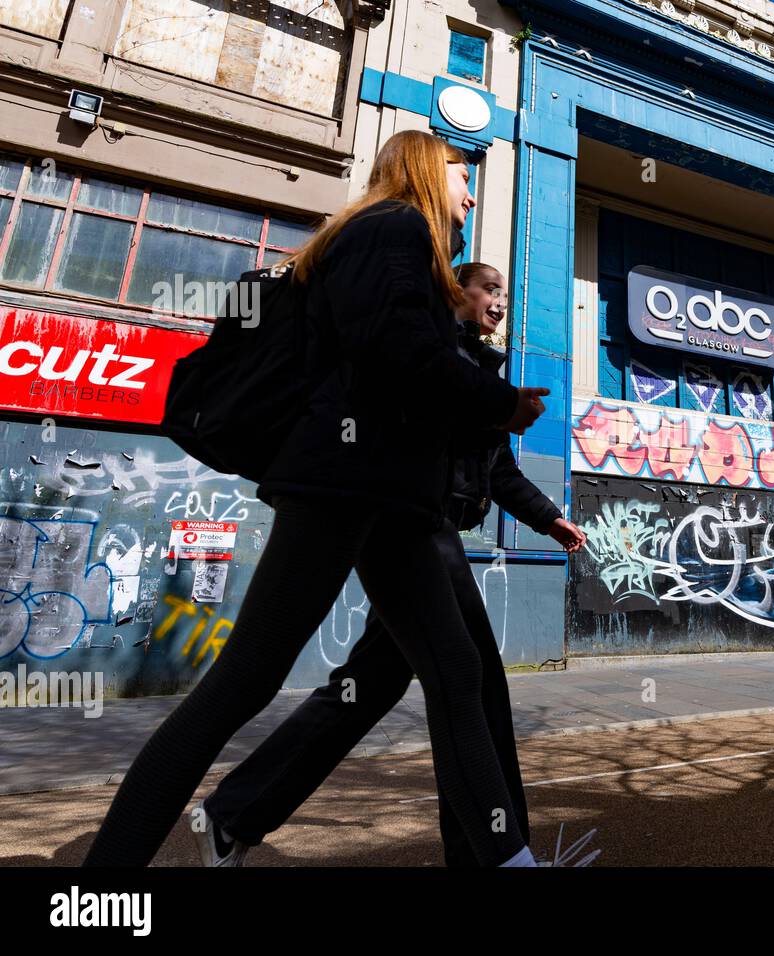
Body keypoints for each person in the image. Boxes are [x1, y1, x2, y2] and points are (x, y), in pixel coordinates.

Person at [83, 131, 550, 868]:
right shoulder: (391, 228)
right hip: (341, 484)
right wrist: (499, 403)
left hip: (391, 496)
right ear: (430, 170)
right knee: (242, 683)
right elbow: (399, 352)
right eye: (465, 177)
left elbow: (402, 363)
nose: (471, 193)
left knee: (456, 674)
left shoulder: (402, 246)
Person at [190, 262, 592, 867]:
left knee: (369, 687)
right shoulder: (429, 346)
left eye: (504, 294)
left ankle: (234, 814)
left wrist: (546, 517)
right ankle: (496, 853)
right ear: (457, 289)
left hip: (425, 530)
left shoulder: (476, 366)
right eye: (490, 290)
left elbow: (495, 468)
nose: (500, 303)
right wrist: (486, 401)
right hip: (412, 527)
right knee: (473, 680)